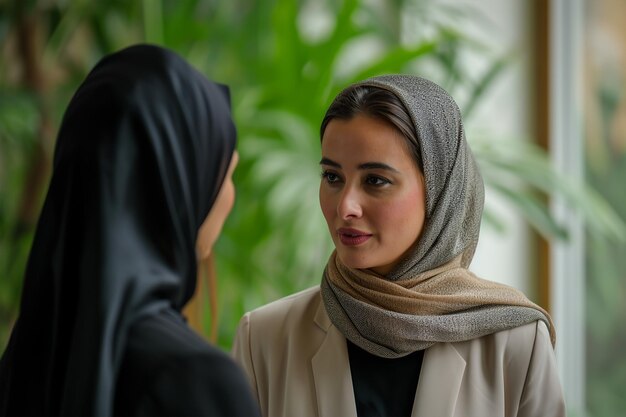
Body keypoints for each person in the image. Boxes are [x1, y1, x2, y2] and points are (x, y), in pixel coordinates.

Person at [232, 75, 565, 417]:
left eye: (375, 180)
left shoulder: (516, 342)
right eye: (332, 177)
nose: (345, 206)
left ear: (439, 192)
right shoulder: (264, 339)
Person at [0, 44, 260, 417]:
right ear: (179, 184)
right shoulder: (195, 383)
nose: (230, 193)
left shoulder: (20, 369)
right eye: (227, 171)